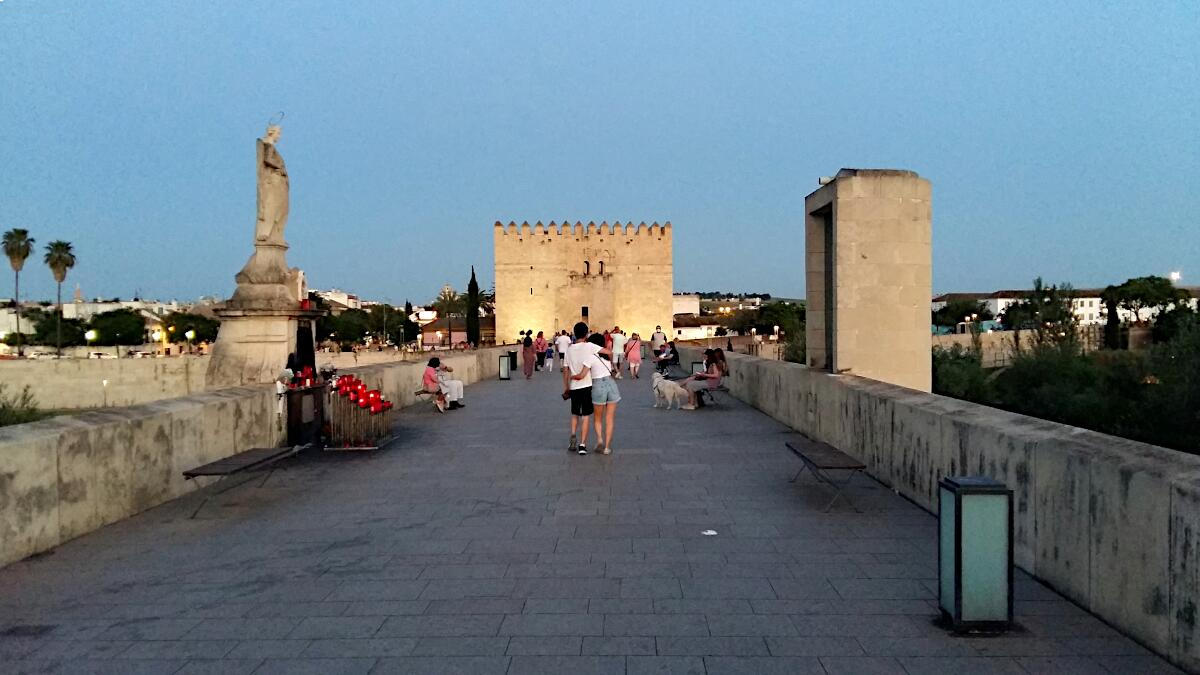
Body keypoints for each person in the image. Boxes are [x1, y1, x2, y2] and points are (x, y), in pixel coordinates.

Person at [562, 322, 611, 455]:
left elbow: (565, 370)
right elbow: (607, 351)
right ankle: (582, 445)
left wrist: (566, 386)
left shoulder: (569, 349)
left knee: (574, 413)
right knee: (586, 415)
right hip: (587, 385)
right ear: (586, 334)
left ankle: (573, 435)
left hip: (574, 387)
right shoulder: (590, 346)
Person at [570, 332, 619, 455]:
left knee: (598, 418)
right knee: (610, 419)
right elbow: (610, 353)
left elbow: (581, 375)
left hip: (598, 386)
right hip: (611, 384)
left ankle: (600, 440)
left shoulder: (590, 358)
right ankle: (607, 447)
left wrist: (573, 377)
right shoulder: (607, 358)